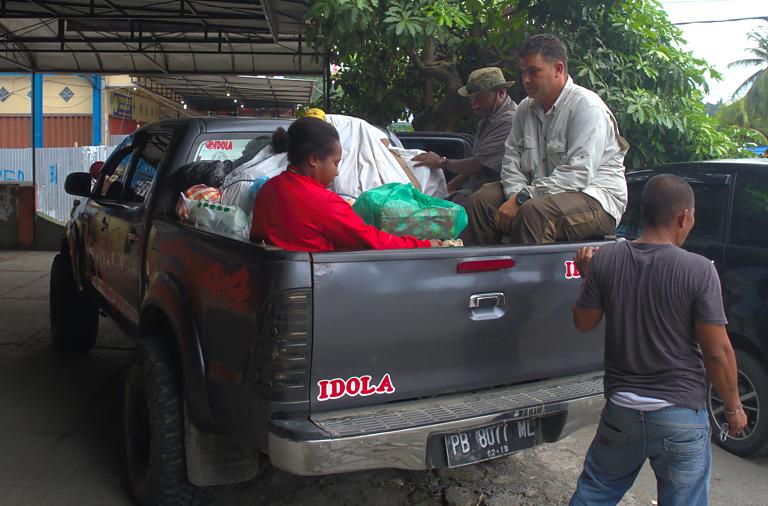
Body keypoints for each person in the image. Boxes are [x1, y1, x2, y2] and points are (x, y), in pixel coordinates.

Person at [569, 174, 748, 506]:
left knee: (593, 495)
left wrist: (588, 278)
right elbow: (718, 352)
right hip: (679, 416)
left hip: (621, 412)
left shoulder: (606, 259)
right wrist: (733, 408)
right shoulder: (698, 270)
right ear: (684, 216)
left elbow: (584, 322)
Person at [462, 34, 629, 245]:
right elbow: (511, 159)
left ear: (558, 69)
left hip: (596, 199)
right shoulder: (525, 108)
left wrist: (523, 199)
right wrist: (516, 196)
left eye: (533, 71)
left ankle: (523, 278)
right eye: (523, 71)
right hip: (541, 193)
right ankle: (483, 275)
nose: (526, 79)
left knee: (534, 212)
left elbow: (577, 174)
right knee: (480, 200)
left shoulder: (587, 107)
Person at [250, 117, 441, 252]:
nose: (337, 172)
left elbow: (256, 238)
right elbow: (371, 241)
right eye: (335, 162)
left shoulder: (268, 189)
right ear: (314, 159)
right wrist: (425, 245)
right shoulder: (323, 201)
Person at [412, 67, 517, 204]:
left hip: (496, 200)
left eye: (480, 99)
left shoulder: (509, 120)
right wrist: (449, 187)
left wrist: (441, 162)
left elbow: (479, 165)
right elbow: (475, 167)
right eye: (472, 99)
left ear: (501, 93)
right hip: (475, 193)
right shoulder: (486, 120)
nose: (475, 105)